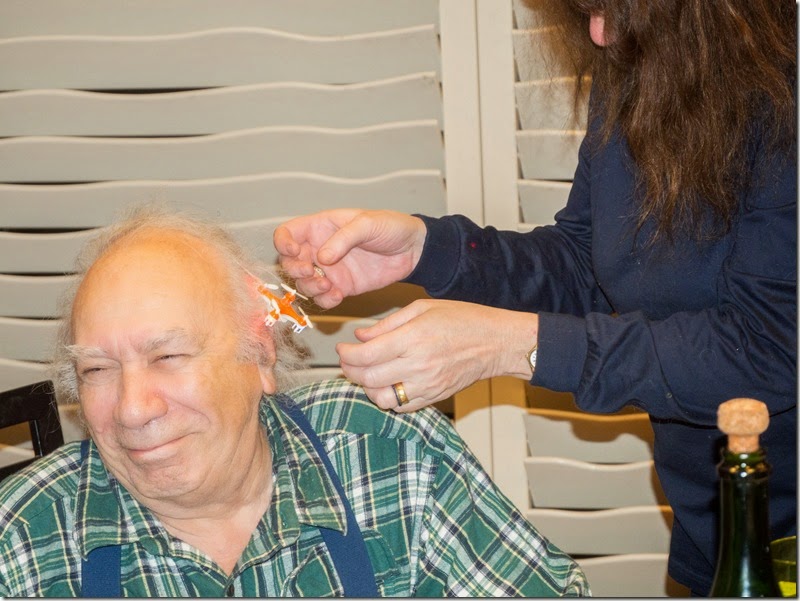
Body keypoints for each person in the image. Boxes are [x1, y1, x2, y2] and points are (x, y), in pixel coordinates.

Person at [273, 0, 797, 596]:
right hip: (715, 527)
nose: (598, 33)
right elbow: (587, 263)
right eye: (585, 7)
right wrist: (424, 251)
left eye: (617, 5)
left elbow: (769, 346)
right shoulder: (642, 60)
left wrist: (510, 346)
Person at [0, 206, 588, 597]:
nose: (132, 409)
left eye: (168, 356)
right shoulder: (23, 533)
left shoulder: (385, 452)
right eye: (97, 369)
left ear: (259, 353)